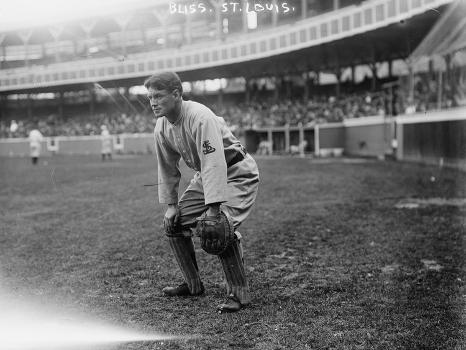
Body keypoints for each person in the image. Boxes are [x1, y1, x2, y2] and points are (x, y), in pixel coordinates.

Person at [145, 72, 260, 313]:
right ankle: (193, 285)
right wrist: (171, 205)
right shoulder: (161, 126)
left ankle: (238, 294)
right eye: (149, 96)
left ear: (176, 94)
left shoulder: (200, 116)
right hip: (206, 176)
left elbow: (214, 163)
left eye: (158, 95)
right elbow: (166, 169)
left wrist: (214, 208)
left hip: (236, 172)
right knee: (174, 224)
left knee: (217, 226)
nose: (152, 102)